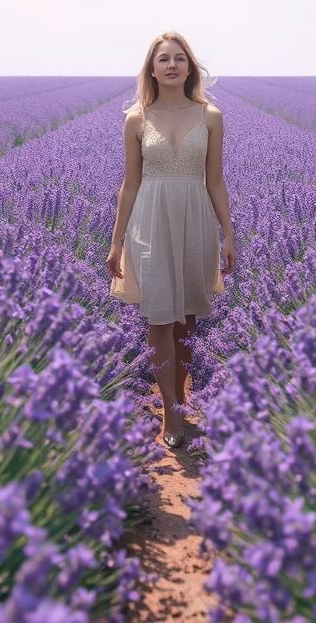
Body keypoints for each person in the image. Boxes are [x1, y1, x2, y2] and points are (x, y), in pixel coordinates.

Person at [106, 32, 236, 449]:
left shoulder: (210, 115)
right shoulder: (136, 119)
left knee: (187, 321)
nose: (172, 65)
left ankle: (179, 400)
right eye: (164, 59)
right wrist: (116, 241)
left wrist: (228, 233)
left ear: (190, 67)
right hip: (150, 220)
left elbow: (215, 182)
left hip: (195, 218)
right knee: (159, 317)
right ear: (152, 69)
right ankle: (170, 413)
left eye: (180, 58)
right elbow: (129, 185)